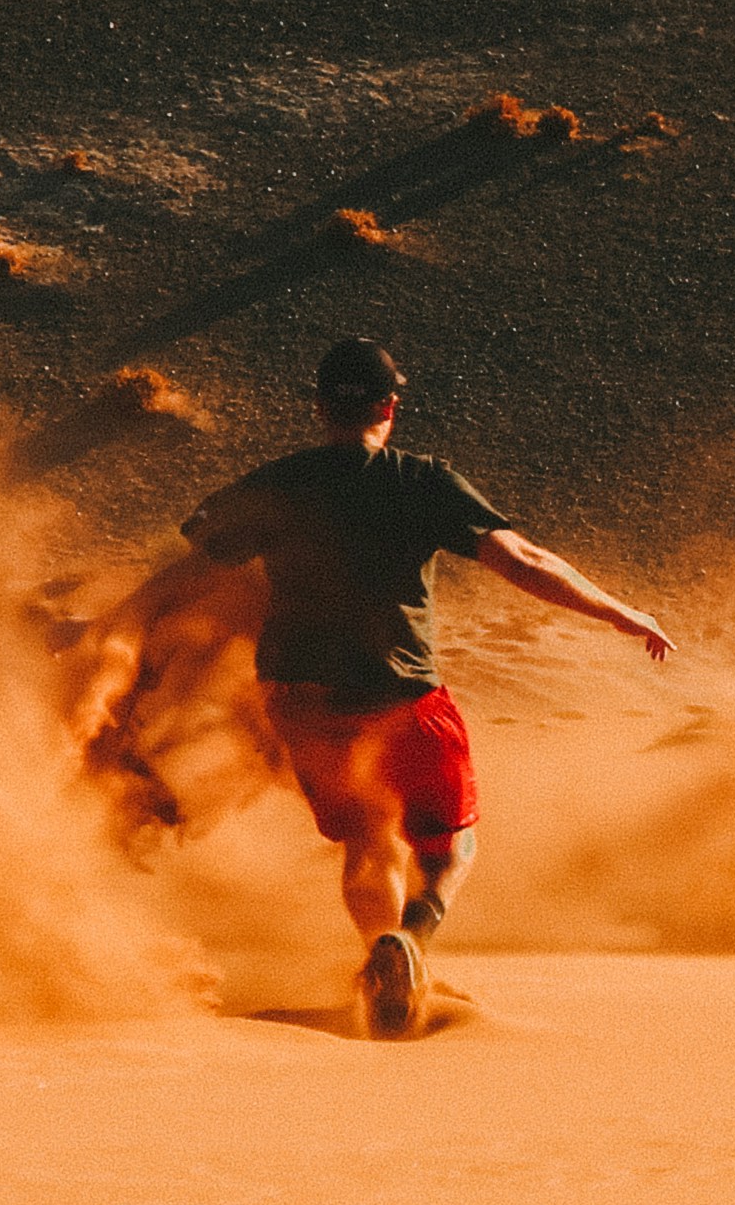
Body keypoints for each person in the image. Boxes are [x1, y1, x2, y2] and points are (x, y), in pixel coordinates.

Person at [67, 335, 672, 1037]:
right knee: (450, 847)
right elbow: (520, 559)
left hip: (298, 699)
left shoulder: (279, 483)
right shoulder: (419, 480)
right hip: (397, 692)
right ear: (390, 406)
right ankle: (409, 938)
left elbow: (192, 569)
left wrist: (114, 623)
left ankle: (376, 954)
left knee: (366, 833)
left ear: (320, 407)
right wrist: (620, 612)